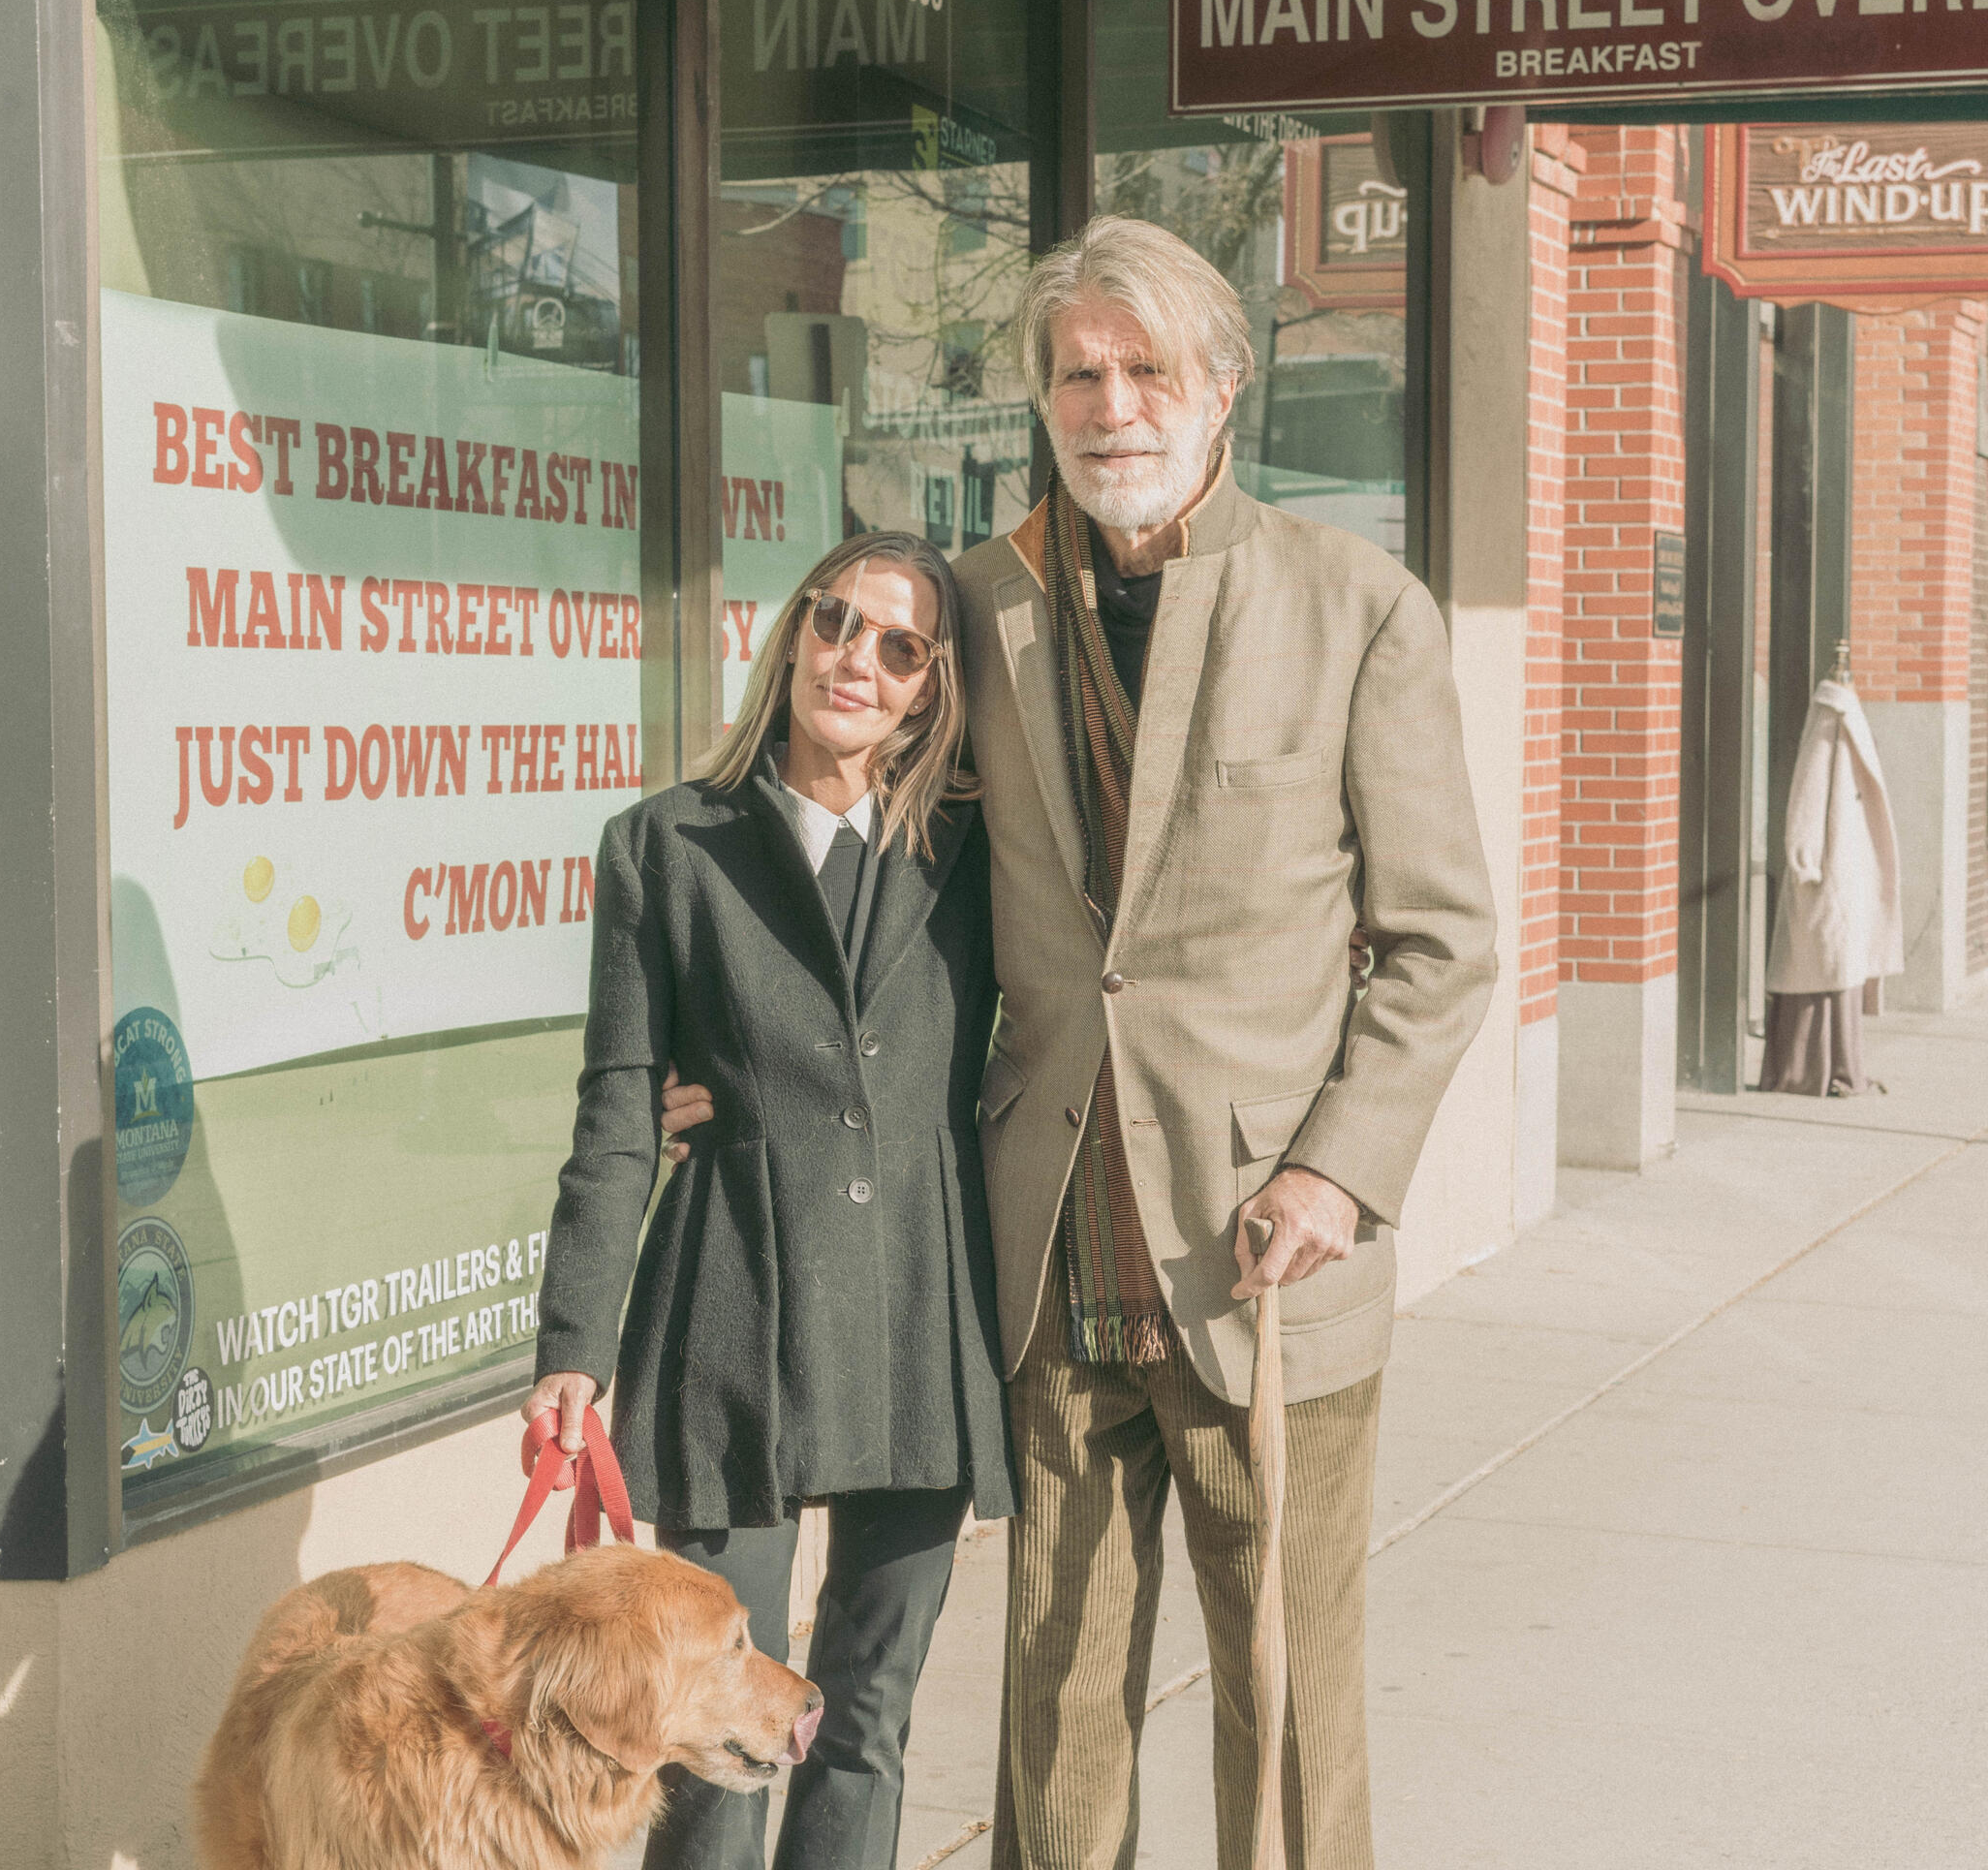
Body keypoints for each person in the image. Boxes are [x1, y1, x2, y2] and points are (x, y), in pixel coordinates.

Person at [952, 215, 1498, 1870]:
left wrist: (1339, 1173)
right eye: (1078, 374)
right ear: (1042, 402)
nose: (1111, 404)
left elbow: (1441, 941)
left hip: (1267, 1254)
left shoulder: (1358, 607)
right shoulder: (973, 607)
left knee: (1285, 1694)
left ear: (1222, 385)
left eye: (1146, 369)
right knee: (1052, 1699)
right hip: (1055, 1246)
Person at [521, 531, 1014, 1870]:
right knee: (718, 1726)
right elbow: (619, 1106)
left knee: (862, 1714)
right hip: (727, 1304)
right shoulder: (667, 845)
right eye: (837, 622)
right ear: (796, 633)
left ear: (931, 689)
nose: (857, 659)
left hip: (921, 1308)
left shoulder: (971, 854)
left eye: (899, 646)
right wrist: (574, 1343)